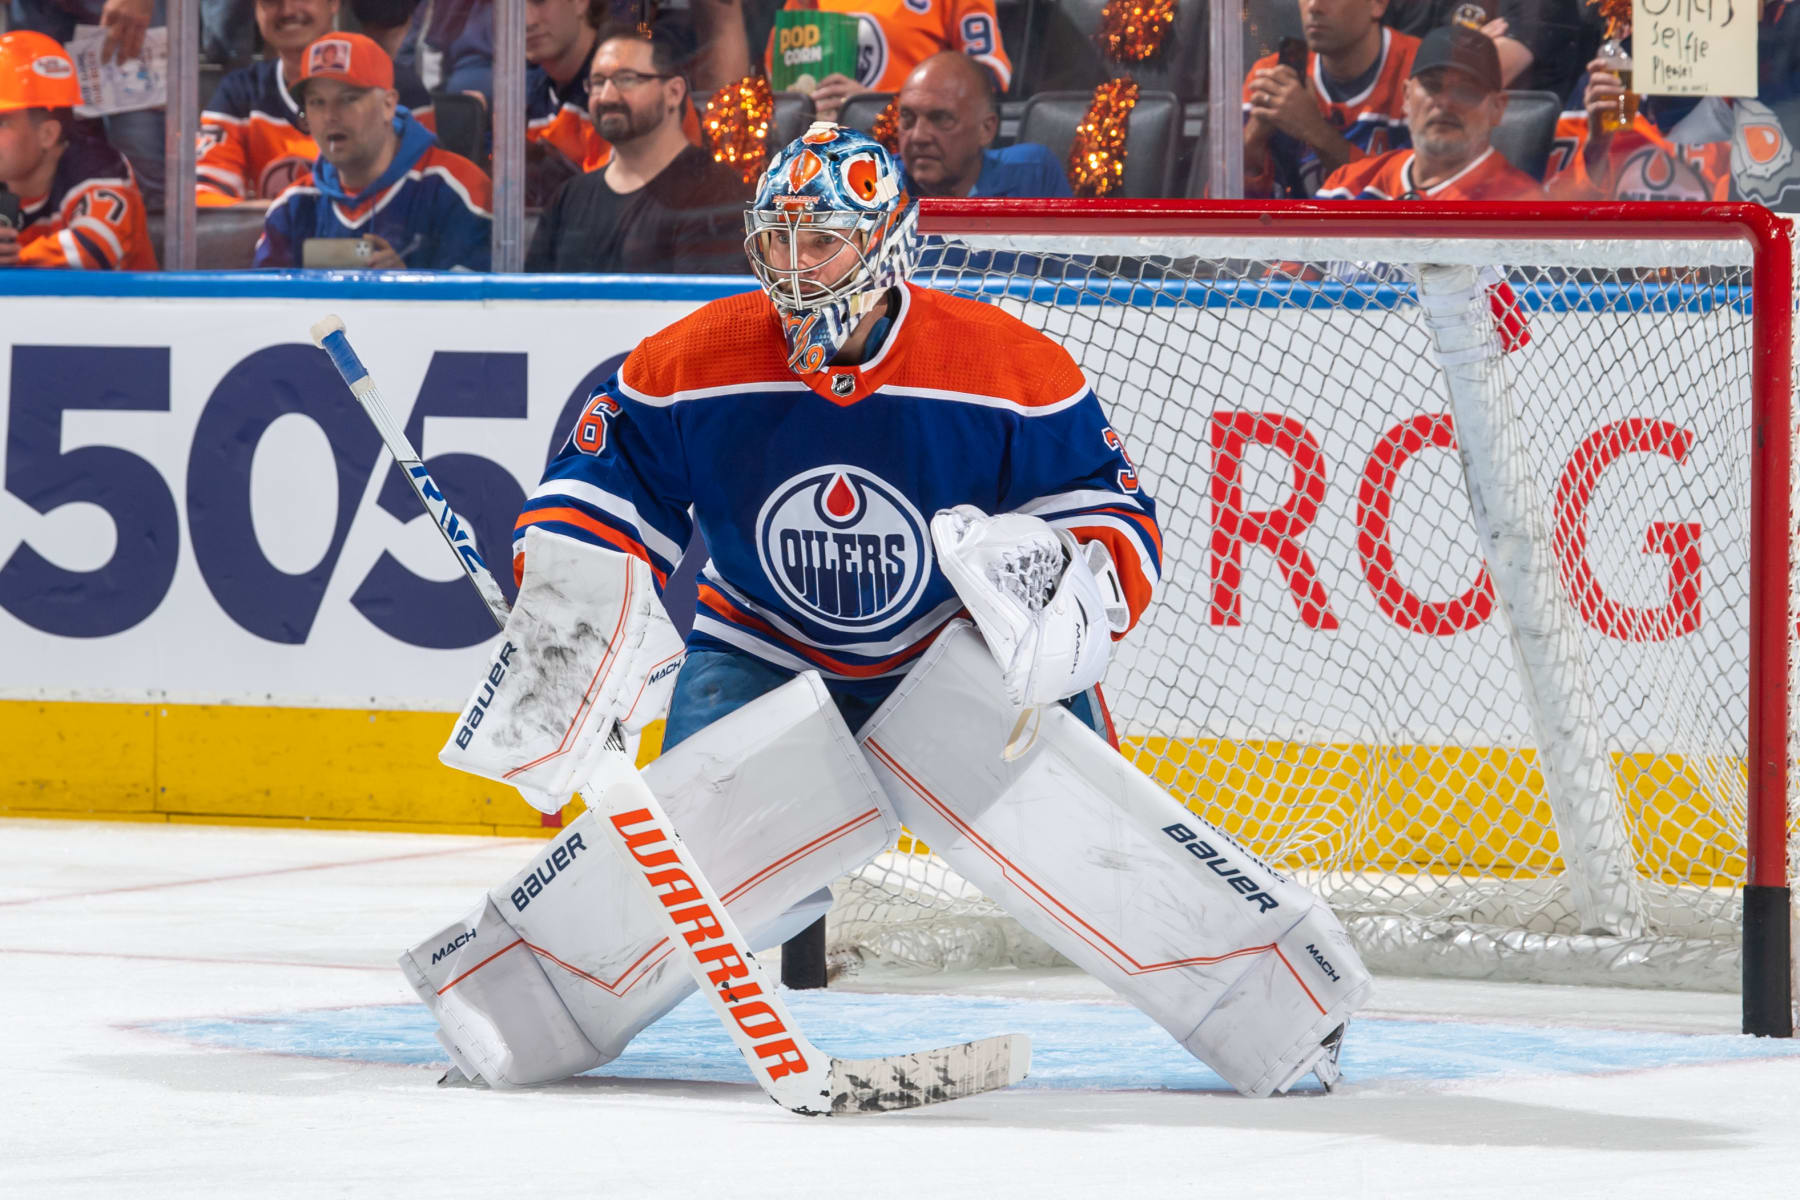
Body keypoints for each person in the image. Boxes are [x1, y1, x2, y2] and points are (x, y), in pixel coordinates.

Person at [255, 31, 492, 268]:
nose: (330, 117)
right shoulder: (292, 206)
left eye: (348, 99)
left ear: (388, 105)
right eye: (317, 102)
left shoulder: (460, 190)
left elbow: (481, 301)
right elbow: (263, 301)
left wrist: (408, 289)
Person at [524, 23, 748, 273]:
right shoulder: (567, 200)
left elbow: (706, 308)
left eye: (627, 79)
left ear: (673, 93)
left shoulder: (718, 195)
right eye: (598, 82)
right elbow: (531, 305)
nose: (607, 96)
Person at [1316, 23, 1541, 200]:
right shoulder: (1347, 186)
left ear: (1497, 108)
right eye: (1432, 85)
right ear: (1406, 96)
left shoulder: (1523, 209)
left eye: (1466, 91)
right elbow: (1293, 260)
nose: (1445, 102)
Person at [0, 30, 155, 268]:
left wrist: (16, 261)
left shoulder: (100, 168)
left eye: (2, 122)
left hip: (120, 304)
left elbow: (95, 248)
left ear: (48, 134)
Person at [1243, 0, 1420, 198]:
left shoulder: (1423, 77)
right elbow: (1226, 207)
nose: (1313, 6)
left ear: (1377, 4)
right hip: (1294, 228)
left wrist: (1314, 130)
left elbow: (1416, 203)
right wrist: (1254, 137)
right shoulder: (1270, 78)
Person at [763, 0, 1012, 124]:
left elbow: (988, 76)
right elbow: (777, 91)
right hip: (816, 156)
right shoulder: (804, 3)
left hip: (915, 158)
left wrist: (881, 108)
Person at [895, 50, 1067, 199]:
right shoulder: (874, 189)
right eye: (907, 118)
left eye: (941, 119)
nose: (918, 136)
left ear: (986, 129)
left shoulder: (1034, 176)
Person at [525, 0, 606, 186]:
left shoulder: (632, 88)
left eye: (539, 2)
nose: (527, 21)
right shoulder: (527, 95)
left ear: (580, 3)